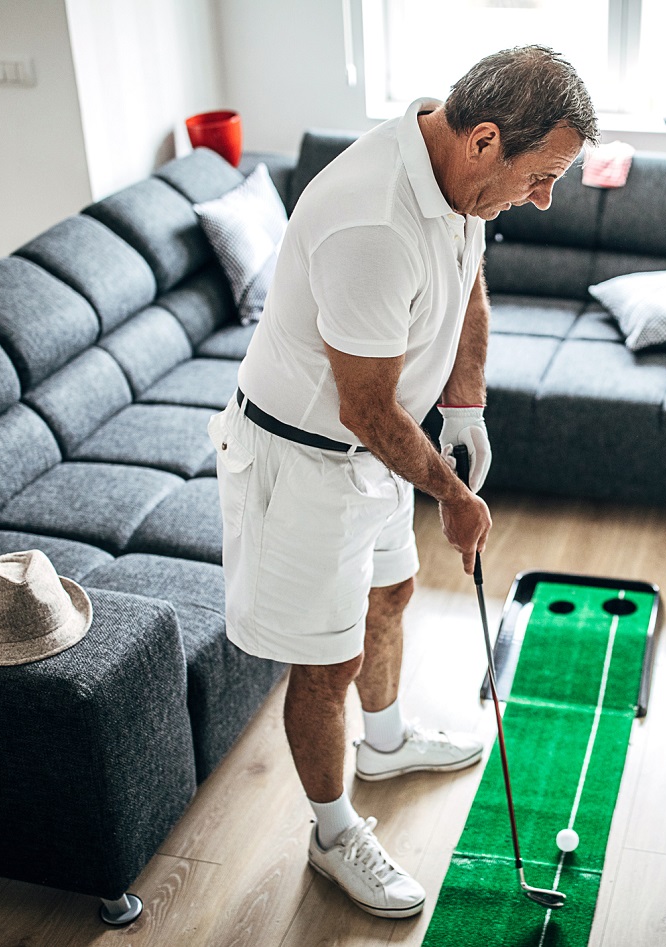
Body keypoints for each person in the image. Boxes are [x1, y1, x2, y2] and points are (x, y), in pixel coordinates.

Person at [209, 46, 597, 918]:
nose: (542, 198)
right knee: (327, 658)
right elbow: (366, 410)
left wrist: (466, 405)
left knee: (394, 590)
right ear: (486, 140)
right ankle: (332, 829)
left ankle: (382, 745)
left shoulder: (453, 167)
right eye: (539, 177)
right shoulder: (372, 222)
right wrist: (454, 496)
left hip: (370, 455)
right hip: (303, 460)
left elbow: (467, 284)